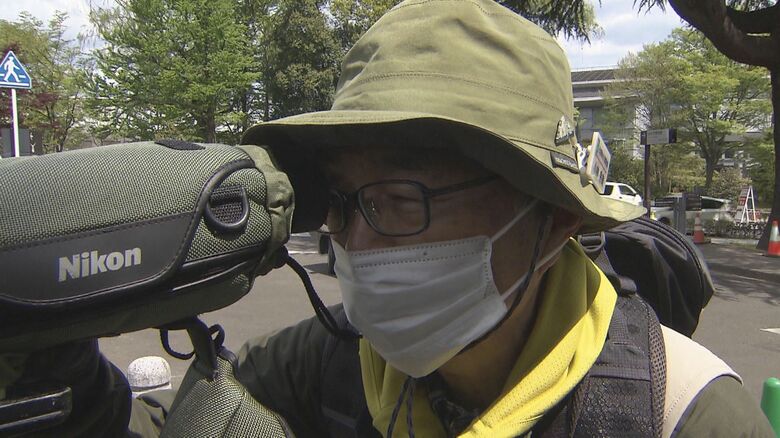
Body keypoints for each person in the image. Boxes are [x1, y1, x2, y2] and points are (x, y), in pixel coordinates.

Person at [5, 0, 773, 436]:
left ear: (554, 219)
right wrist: (62, 375)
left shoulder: (681, 415)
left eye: (402, 201)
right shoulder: (332, 361)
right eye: (342, 202)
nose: (355, 247)